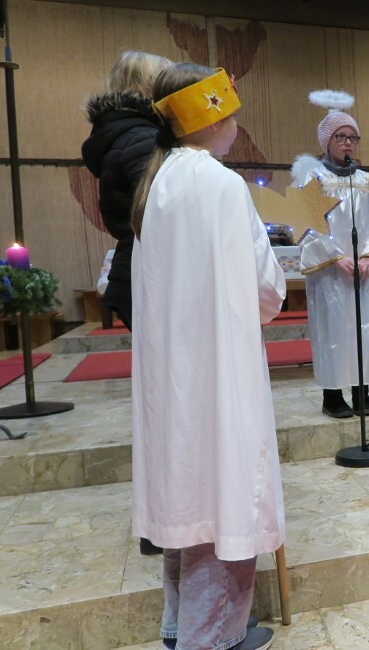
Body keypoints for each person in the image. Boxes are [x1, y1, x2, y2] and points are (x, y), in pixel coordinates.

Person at [130, 62, 284, 650]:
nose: (237, 124)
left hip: (173, 376)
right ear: (213, 119)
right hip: (219, 369)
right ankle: (212, 638)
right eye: (232, 114)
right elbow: (265, 289)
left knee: (187, 501)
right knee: (225, 500)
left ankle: (180, 627)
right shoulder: (222, 185)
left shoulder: (157, 183)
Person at [81, 49, 173, 558]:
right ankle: (163, 519)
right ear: (147, 88)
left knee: (163, 399)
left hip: (141, 272)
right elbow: (165, 208)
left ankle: (164, 516)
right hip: (155, 276)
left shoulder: (121, 132)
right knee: (169, 403)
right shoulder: (141, 137)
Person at [291, 90, 369, 419]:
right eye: (340, 137)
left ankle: (362, 391)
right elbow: (307, 222)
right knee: (333, 332)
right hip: (331, 271)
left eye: (352, 137)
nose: (348, 143)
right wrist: (335, 255)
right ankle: (332, 396)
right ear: (326, 141)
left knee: (366, 329)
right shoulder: (313, 177)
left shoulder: (364, 180)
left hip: (363, 270)